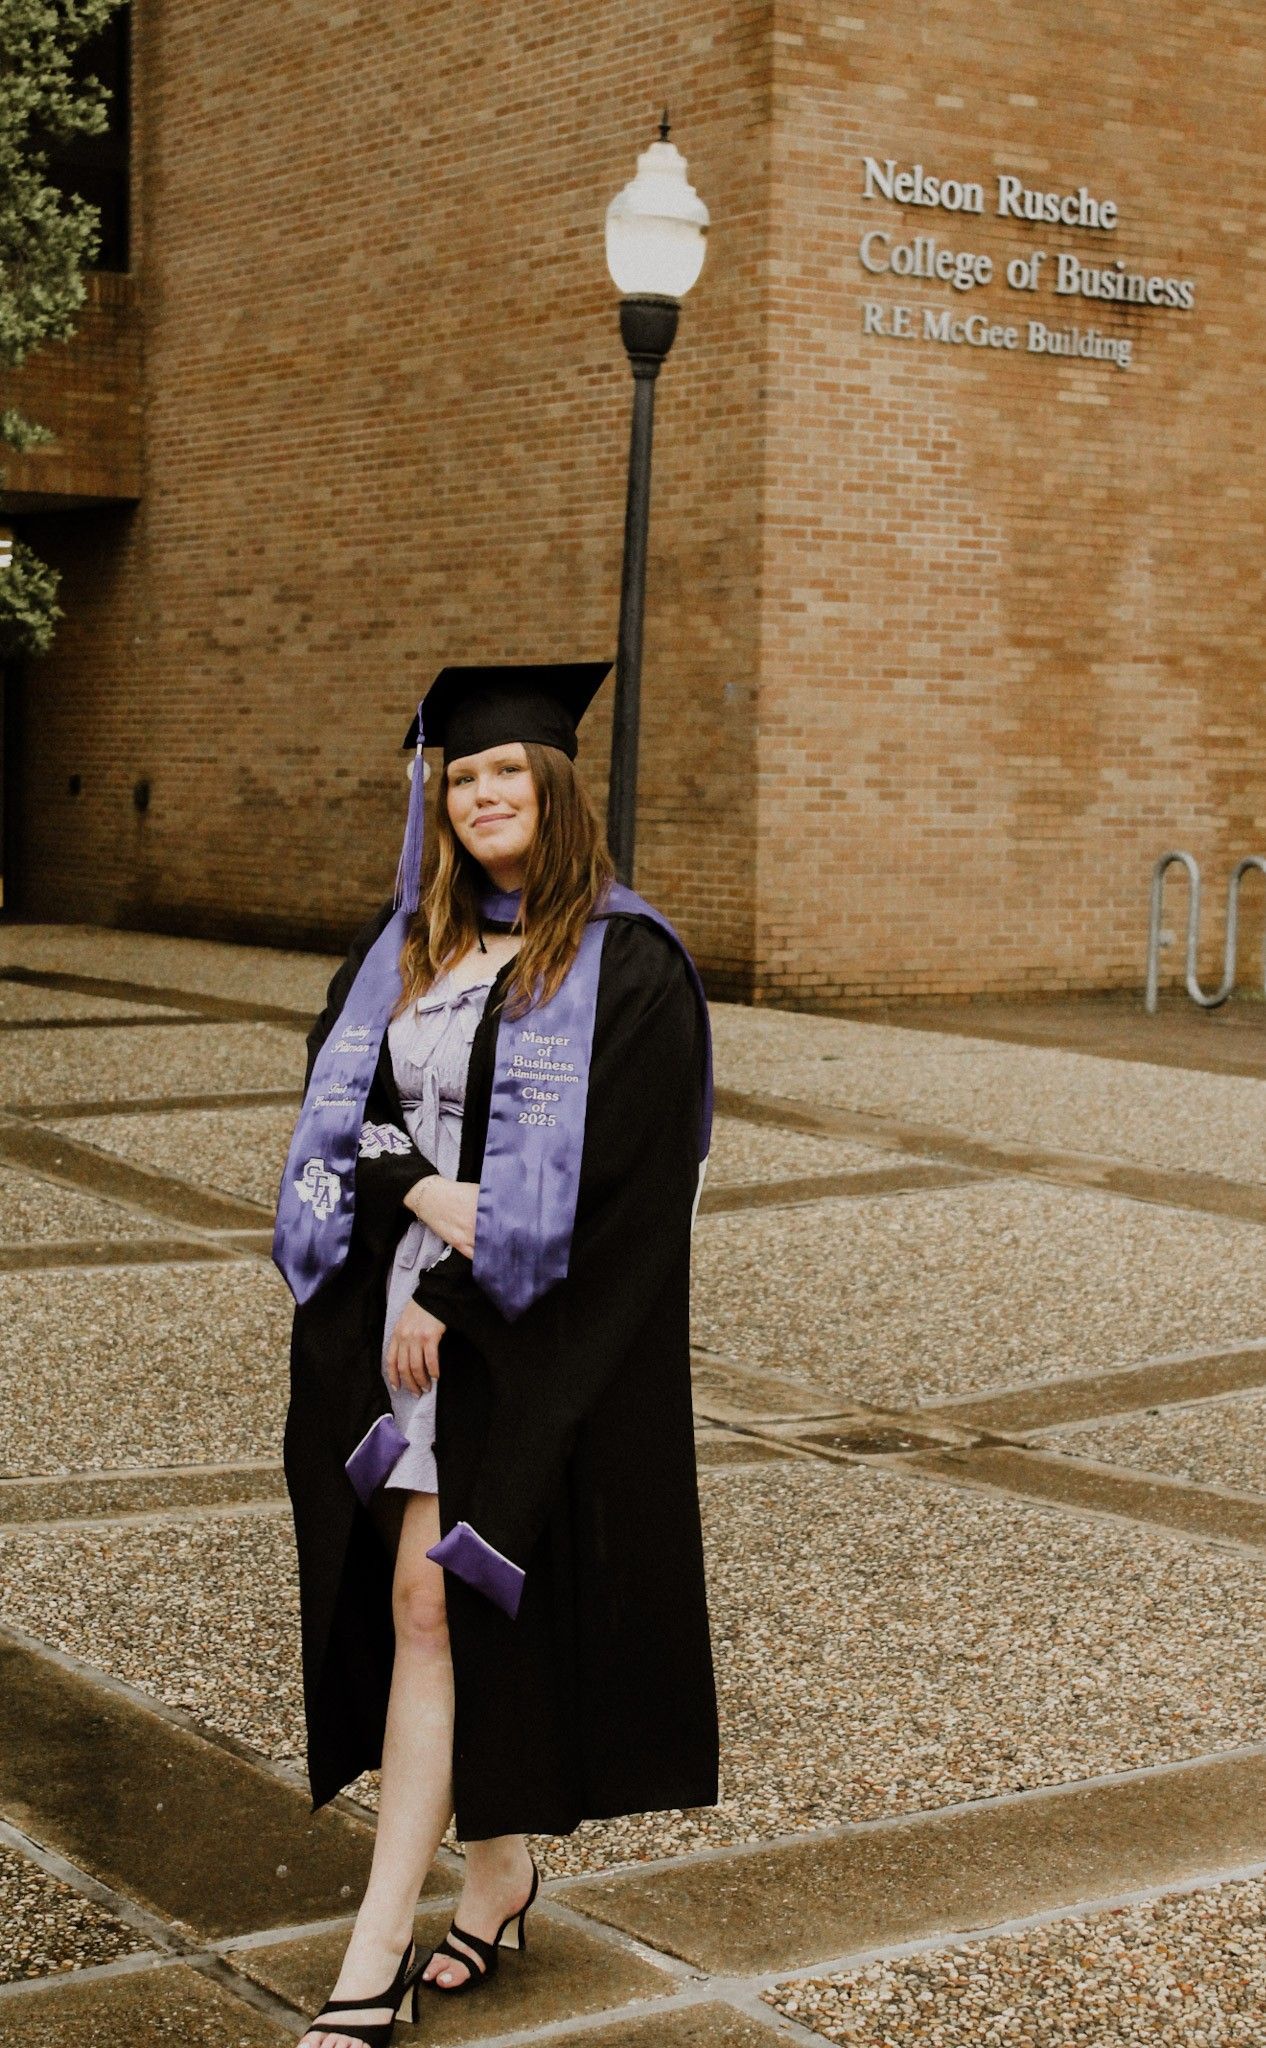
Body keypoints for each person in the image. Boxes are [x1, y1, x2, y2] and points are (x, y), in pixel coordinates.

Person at [273, 663, 718, 2048]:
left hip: (524, 1341)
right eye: (460, 779)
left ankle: (370, 1952)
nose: (478, 797)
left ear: (557, 788)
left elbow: (624, 1196)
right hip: (389, 1326)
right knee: (438, 1609)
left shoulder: (627, 964)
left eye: (504, 774)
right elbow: (357, 1117)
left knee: (435, 1603)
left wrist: (458, 1298)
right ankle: (502, 1869)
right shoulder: (404, 948)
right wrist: (413, 1198)